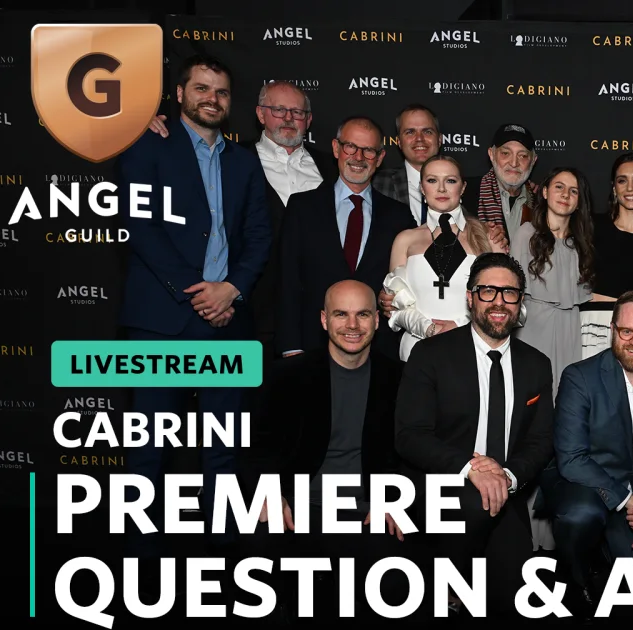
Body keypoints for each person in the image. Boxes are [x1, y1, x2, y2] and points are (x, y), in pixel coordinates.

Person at [115, 54, 270, 555]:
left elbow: (258, 235)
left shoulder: (244, 160)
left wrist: (231, 289)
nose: (212, 99)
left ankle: (222, 555)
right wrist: (199, 291)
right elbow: (141, 227)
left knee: (223, 447)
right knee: (149, 445)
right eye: (201, 88)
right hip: (162, 321)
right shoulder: (147, 146)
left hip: (227, 319)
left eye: (221, 92)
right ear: (179, 94)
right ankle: (141, 557)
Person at [393, 253, 555, 615]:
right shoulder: (430, 354)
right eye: (487, 291)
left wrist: (507, 476)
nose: (499, 301)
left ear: (520, 302)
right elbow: (410, 436)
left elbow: (541, 440)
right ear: (470, 297)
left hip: (504, 495)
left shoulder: (536, 364)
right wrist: (471, 469)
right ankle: (442, 586)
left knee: (516, 601)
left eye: (509, 293)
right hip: (441, 489)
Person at [240, 279, 411, 620]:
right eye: (341, 314)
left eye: (363, 314)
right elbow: (256, 447)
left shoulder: (401, 379)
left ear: (377, 320)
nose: (352, 325)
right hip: (299, 505)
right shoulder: (287, 375)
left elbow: (414, 449)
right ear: (323, 319)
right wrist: (270, 491)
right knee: (256, 550)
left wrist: (394, 497)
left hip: (366, 509)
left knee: (395, 579)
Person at [144, 80, 336, 361]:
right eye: (278, 109)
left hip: (317, 317)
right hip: (245, 313)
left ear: (308, 120)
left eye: (297, 112)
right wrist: (147, 128)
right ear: (260, 114)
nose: (288, 118)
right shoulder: (228, 159)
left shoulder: (332, 168)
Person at [538, 290, 633, 611]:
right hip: (581, 488)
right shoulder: (579, 377)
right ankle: (576, 575)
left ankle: (608, 552)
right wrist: (628, 499)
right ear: (612, 329)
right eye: (626, 331)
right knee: (582, 515)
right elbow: (572, 459)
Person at [277, 115, 415, 362]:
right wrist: (291, 347)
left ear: (380, 158)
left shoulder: (399, 216)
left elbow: (413, 279)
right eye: (351, 146)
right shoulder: (301, 208)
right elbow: (287, 281)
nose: (358, 157)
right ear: (336, 148)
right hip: (312, 347)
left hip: (380, 353)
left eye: (369, 150)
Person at [385, 154, 496, 361]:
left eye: (450, 181)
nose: (442, 189)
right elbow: (396, 306)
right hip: (416, 352)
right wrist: (429, 329)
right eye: (432, 180)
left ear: (463, 188)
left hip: (473, 352)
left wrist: (461, 327)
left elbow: (504, 303)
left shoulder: (489, 237)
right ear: (422, 188)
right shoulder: (405, 240)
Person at [510, 166, 596, 398]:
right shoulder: (526, 234)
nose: (565, 194)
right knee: (531, 394)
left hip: (569, 327)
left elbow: (584, 293)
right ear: (545, 192)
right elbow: (513, 290)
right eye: (559, 187)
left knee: (565, 395)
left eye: (573, 191)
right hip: (532, 326)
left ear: (579, 201)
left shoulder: (581, 243)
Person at [583, 152, 633, 359]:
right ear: (614, 188)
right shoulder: (592, 226)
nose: (630, 188)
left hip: (630, 329)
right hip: (588, 323)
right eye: (622, 180)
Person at [465, 123, 540, 244]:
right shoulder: (465, 194)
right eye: (505, 153)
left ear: (533, 160)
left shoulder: (541, 204)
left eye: (523, 156)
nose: (514, 163)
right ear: (491, 154)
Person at [373, 103, 441, 224]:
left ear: (439, 139)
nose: (419, 138)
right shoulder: (378, 184)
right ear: (399, 142)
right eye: (410, 132)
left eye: (427, 132)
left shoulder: (459, 186)